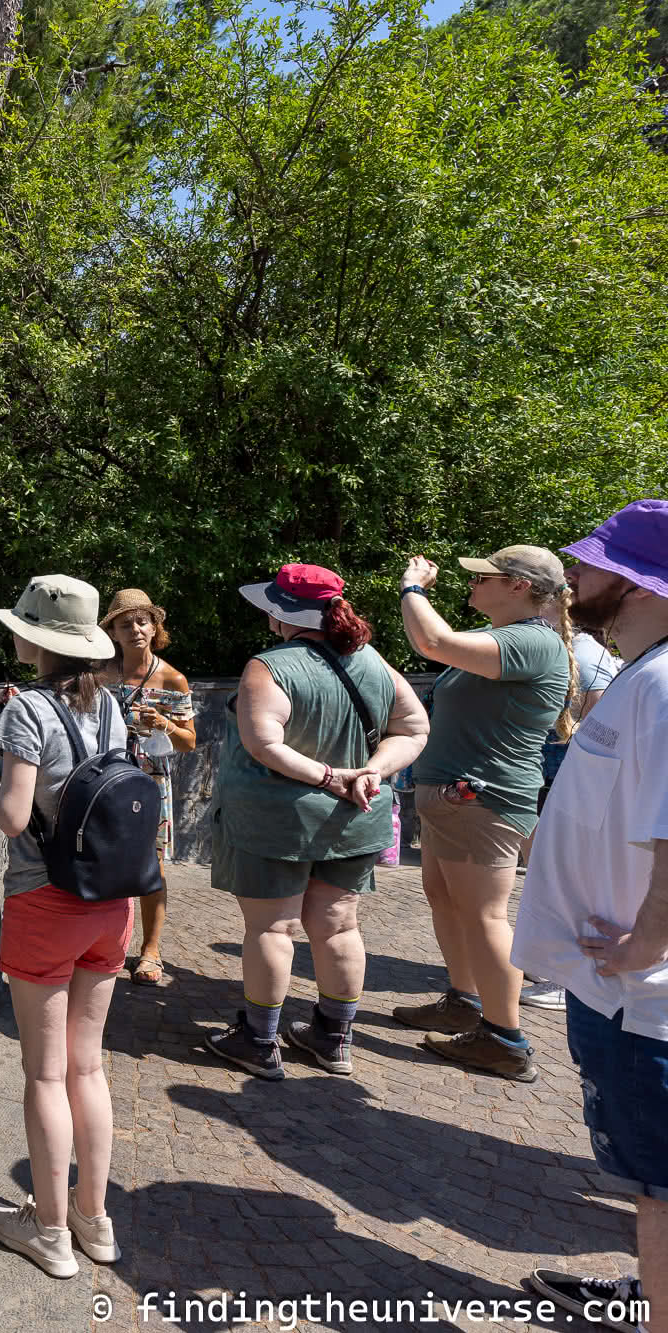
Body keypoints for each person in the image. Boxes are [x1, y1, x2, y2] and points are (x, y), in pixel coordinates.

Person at [509, 499, 668, 1326]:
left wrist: (647, 942)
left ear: (641, 583)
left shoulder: (665, 683)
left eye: (592, 563)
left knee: (660, 1190)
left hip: (639, 999)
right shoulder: (646, 673)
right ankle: (649, 1290)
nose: (574, 574)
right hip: (619, 989)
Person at [0, 574, 127, 1279]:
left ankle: (49, 1232)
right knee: (88, 1066)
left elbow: (14, 818)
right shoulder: (109, 704)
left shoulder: (27, 713)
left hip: (46, 903)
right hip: (110, 902)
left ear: (39, 640)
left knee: (46, 1074)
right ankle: (94, 1220)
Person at [203, 565, 429, 1080]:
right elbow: (414, 727)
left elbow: (264, 744)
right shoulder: (371, 660)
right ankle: (333, 1037)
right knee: (339, 926)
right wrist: (372, 773)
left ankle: (259, 1040)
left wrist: (330, 777)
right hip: (354, 819)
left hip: (276, 822)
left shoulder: (268, 667)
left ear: (282, 612)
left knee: (272, 927)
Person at [392, 544, 574, 1082]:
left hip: (484, 800)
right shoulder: (503, 638)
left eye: (484, 577)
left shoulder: (531, 641)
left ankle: (505, 1039)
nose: (473, 584)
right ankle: (464, 1003)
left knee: (485, 915)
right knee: (447, 900)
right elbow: (437, 647)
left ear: (519, 586)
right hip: (457, 798)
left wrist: (412, 587)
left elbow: (433, 641)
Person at [100, 589, 199, 987]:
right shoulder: (100, 674)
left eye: (143, 621)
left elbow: (189, 741)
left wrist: (164, 724)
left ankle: (151, 950)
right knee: (103, 858)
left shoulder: (172, 678)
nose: (135, 629)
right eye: (125, 624)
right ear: (113, 633)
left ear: (155, 627)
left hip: (148, 781)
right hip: (105, 778)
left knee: (150, 866)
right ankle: (104, 945)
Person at [522, 625, 622, 1010]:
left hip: (572, 781)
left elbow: (600, 722)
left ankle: (567, 980)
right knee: (552, 876)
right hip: (559, 779)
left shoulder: (586, 653)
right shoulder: (576, 649)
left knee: (570, 880)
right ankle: (557, 969)